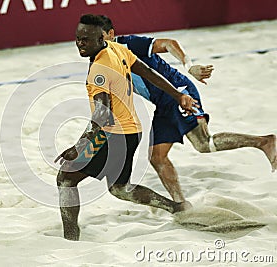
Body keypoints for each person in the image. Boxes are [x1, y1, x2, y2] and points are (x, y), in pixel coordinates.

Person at [99, 15, 277, 203]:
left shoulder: (128, 44)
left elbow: (169, 43)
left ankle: (264, 142)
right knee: (157, 157)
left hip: (179, 93)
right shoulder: (102, 62)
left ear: (110, 34)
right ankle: (181, 204)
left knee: (204, 144)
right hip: (161, 103)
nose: (95, 42)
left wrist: (189, 66)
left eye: (99, 37)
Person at [54, 14, 196, 241]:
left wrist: (78, 148)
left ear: (101, 38)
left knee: (66, 177)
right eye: (78, 38)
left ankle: (70, 237)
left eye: (87, 40)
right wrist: (177, 94)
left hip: (113, 134)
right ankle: (177, 208)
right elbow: (149, 73)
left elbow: (103, 116)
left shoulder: (99, 70)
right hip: (131, 131)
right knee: (120, 188)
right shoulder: (117, 49)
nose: (81, 44)